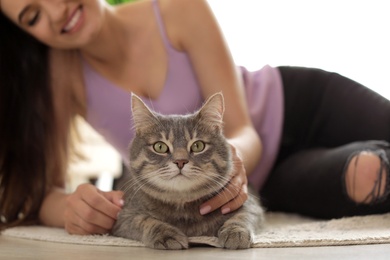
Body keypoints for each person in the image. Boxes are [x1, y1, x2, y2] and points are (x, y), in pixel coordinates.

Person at [1, 0, 390, 236]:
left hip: (300, 104)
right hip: (261, 181)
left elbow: (243, 130)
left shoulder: (175, 10)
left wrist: (229, 165)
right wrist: (71, 206)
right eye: (32, 16)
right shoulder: (59, 77)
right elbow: (40, 193)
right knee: (372, 176)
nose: (56, 12)